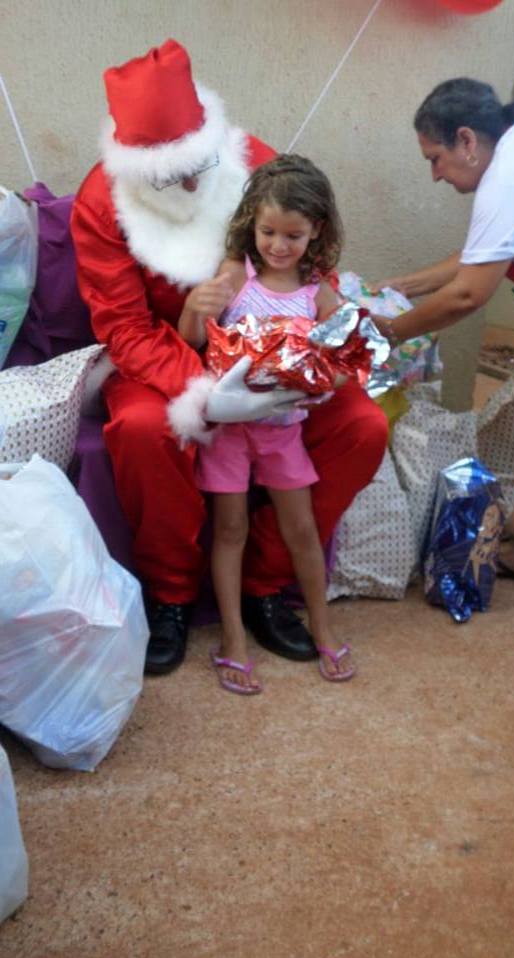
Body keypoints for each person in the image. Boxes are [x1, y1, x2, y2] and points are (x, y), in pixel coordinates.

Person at [71, 39, 388, 675]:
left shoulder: (257, 163)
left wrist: (310, 363)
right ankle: (171, 593)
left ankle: (265, 582)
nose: (190, 182)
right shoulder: (101, 203)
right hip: (165, 354)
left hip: (275, 358)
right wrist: (208, 389)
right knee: (139, 429)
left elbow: (313, 263)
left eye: (198, 164)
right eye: (169, 175)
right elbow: (126, 329)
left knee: (363, 427)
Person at [172, 155, 356, 692]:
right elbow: (192, 340)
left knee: (303, 530)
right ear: (252, 223)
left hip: (283, 431)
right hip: (229, 431)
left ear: (316, 231)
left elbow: (346, 356)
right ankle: (232, 636)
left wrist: (327, 380)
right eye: (268, 231)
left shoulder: (317, 290)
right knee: (230, 529)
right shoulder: (236, 276)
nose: (278, 245)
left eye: (293, 235)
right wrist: (192, 305)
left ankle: (322, 626)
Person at [372, 77, 514, 585]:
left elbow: (469, 293)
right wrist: (404, 284)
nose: (434, 176)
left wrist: (390, 334)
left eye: (434, 158)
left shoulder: (509, 174)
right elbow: (477, 255)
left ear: (467, 140)